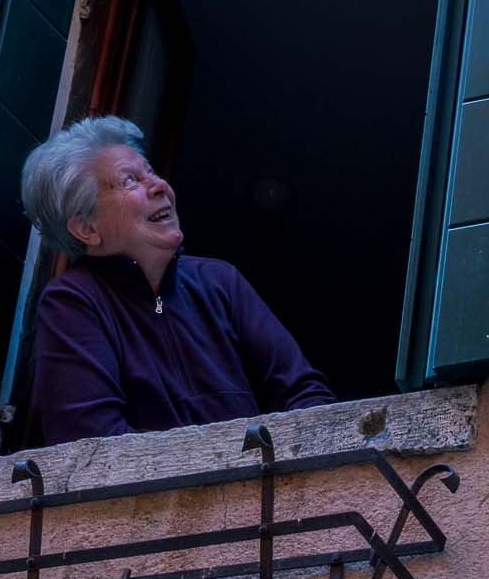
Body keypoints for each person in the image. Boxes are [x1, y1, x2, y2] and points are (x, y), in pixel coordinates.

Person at [20, 115, 335, 445]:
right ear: (87, 229)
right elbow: (89, 444)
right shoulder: (73, 302)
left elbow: (305, 393)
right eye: (129, 180)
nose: (159, 186)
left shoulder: (220, 281)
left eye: (151, 172)